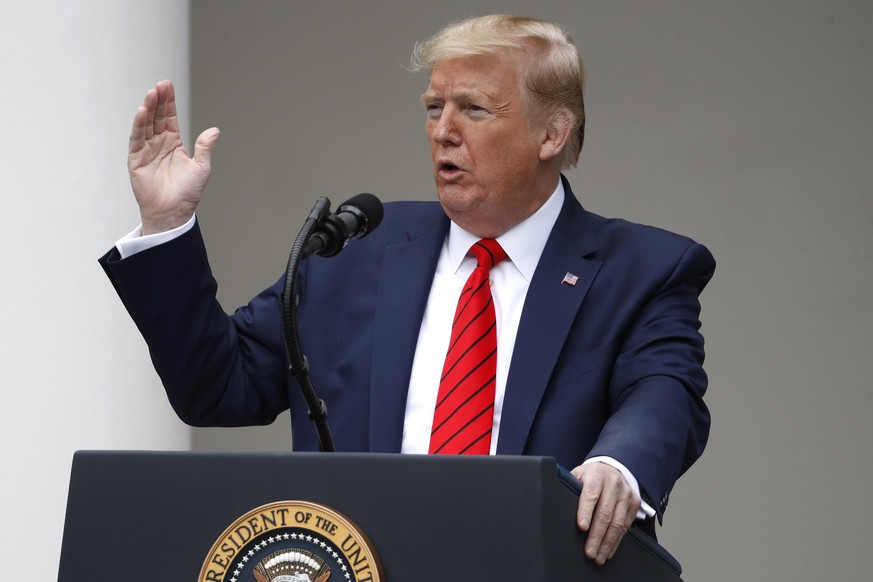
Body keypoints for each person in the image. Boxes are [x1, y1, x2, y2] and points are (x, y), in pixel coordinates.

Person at [101, 15, 714, 566]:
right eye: (432, 108)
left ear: (552, 133)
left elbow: (665, 392)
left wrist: (620, 464)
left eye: (474, 109)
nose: (444, 131)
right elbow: (217, 387)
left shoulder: (643, 268)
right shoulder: (353, 250)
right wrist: (166, 226)